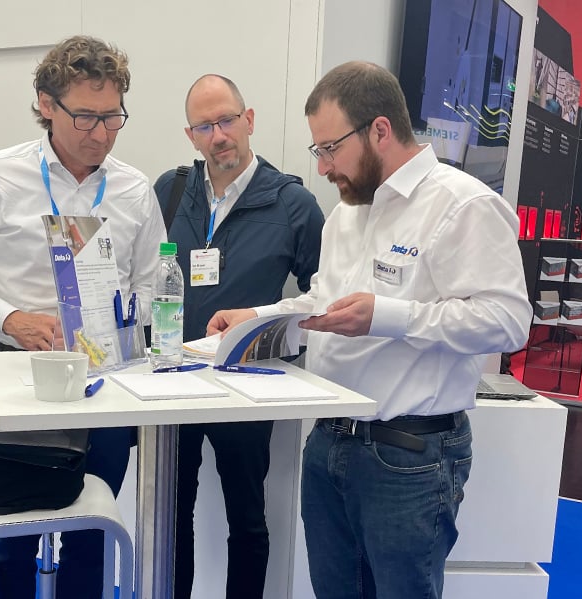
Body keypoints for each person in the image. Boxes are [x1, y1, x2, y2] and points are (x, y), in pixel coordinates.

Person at [206, 61, 532, 599]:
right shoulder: (347, 214)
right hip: (330, 441)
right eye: (318, 151)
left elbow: (506, 321)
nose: (323, 168)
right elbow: (323, 301)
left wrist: (388, 316)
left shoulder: (463, 205)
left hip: (409, 456)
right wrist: (260, 318)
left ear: (380, 130)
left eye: (330, 149)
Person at [0, 35, 166, 598]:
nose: (101, 134)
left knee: (93, 533)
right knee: (11, 540)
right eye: (85, 117)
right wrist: (9, 317)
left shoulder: (132, 188)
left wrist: (122, 321)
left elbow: (152, 284)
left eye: (113, 117)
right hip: (20, 378)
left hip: (107, 383)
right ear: (46, 104)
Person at [153, 74, 324, 599]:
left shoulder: (294, 204)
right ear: (190, 134)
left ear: (249, 121)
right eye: (205, 125)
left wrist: (272, 331)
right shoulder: (171, 190)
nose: (218, 134)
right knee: (170, 514)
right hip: (172, 383)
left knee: (247, 518)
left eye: (227, 120)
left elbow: (324, 298)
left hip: (248, 387)